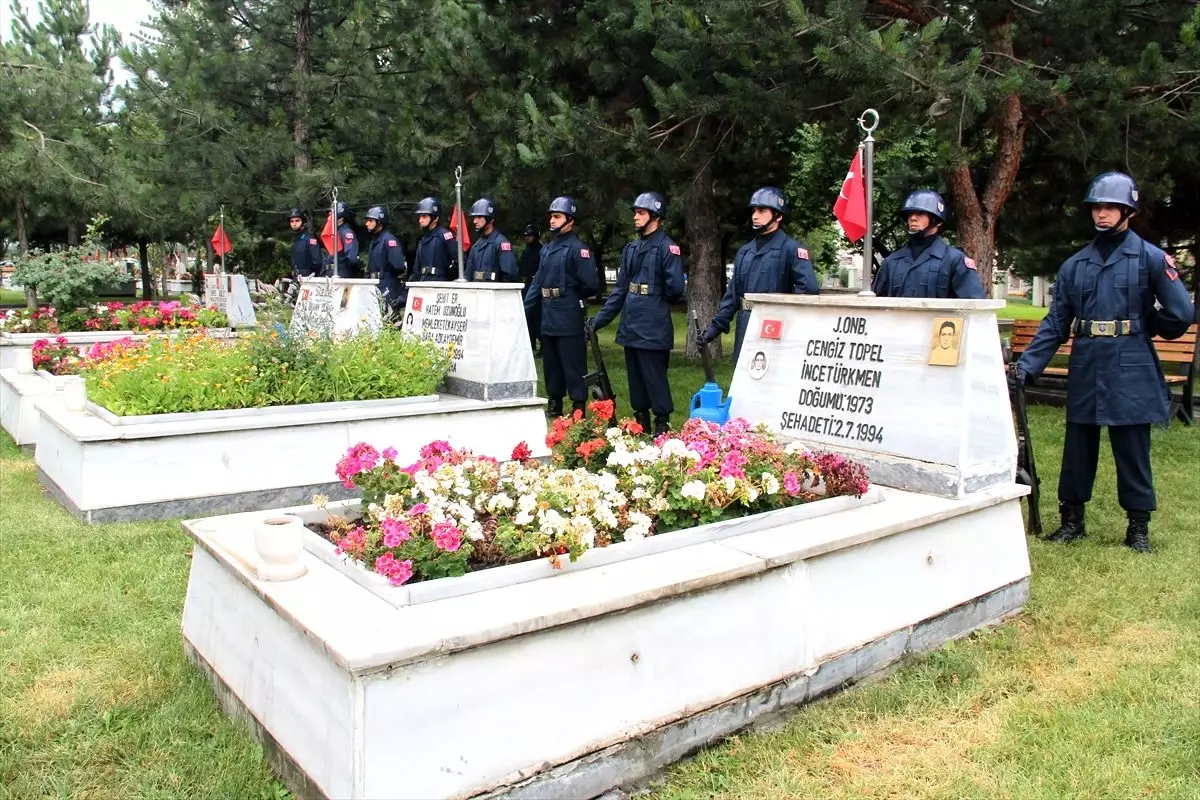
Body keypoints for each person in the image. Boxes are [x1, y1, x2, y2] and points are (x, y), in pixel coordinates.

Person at [1011, 171, 1195, 553]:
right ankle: (1072, 520)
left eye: (1111, 207)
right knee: (1078, 446)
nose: (1103, 214)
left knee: (1132, 448)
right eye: (1097, 207)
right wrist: (1027, 366)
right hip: (1089, 360)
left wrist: (1147, 324)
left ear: (1127, 210)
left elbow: (1181, 313)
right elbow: (1057, 323)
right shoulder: (1076, 265)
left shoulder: (1149, 258)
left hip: (1131, 360)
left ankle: (1138, 527)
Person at [588, 191, 685, 435]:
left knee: (654, 376)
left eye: (641, 213)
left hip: (653, 323)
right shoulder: (631, 248)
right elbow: (620, 290)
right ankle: (640, 421)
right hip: (631, 323)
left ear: (655, 216)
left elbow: (675, 289)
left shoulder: (667, 248)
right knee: (636, 377)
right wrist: (598, 320)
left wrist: (653, 298)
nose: (635, 217)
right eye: (635, 213)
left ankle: (661, 423)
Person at [699, 186, 819, 365]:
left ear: (778, 216)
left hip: (776, 328)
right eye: (754, 210)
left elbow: (808, 291)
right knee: (742, 384)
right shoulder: (745, 252)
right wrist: (713, 329)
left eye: (762, 210)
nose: (755, 215)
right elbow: (732, 296)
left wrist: (787, 320)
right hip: (746, 324)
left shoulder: (792, 249)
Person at [524, 195, 600, 418]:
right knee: (551, 364)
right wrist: (524, 310)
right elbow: (538, 281)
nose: (552, 220)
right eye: (551, 216)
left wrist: (570, 296)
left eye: (557, 216)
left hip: (568, 313)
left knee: (573, 363)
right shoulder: (546, 249)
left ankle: (578, 407)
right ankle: (554, 404)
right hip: (548, 313)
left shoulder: (579, 249)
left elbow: (590, 284)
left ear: (570, 219)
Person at [872, 189, 986, 299]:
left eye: (920, 213)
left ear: (937, 221)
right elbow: (875, 308)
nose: (912, 218)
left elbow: (973, 305)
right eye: (910, 214)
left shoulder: (955, 261)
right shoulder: (891, 262)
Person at [364, 205, 407, 317]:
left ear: (379, 222)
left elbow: (399, 266)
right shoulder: (374, 241)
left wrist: (387, 277)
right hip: (374, 285)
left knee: (389, 320)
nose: (367, 223)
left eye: (370, 220)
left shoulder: (389, 240)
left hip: (387, 286)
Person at [464, 198, 519, 282]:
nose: (475, 221)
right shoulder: (476, 246)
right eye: (474, 217)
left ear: (491, 219)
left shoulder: (501, 244)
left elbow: (510, 275)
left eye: (479, 217)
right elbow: (468, 275)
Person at [411, 196, 457, 281]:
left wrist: (448, 278)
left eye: (424, 216)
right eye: (420, 217)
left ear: (435, 218)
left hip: (440, 283)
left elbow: (460, 262)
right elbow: (416, 269)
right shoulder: (422, 240)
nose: (420, 220)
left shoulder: (446, 236)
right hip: (423, 281)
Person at [521, 223, 543, 356]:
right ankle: (530, 343)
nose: (527, 238)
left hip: (537, 286)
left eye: (529, 235)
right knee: (527, 316)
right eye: (525, 236)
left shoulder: (541, 251)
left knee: (538, 316)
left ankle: (543, 345)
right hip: (526, 285)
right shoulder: (525, 251)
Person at [323, 202, 361, 278]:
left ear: (341, 218)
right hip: (330, 273)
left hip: (341, 274)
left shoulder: (346, 233)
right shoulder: (334, 232)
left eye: (332, 215)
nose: (330, 218)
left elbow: (352, 258)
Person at [287, 208, 323, 280]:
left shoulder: (310, 239)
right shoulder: (295, 239)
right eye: (292, 221)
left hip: (308, 278)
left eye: (297, 221)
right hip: (296, 277)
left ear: (303, 222)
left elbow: (317, 262)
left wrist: (310, 274)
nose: (294, 224)